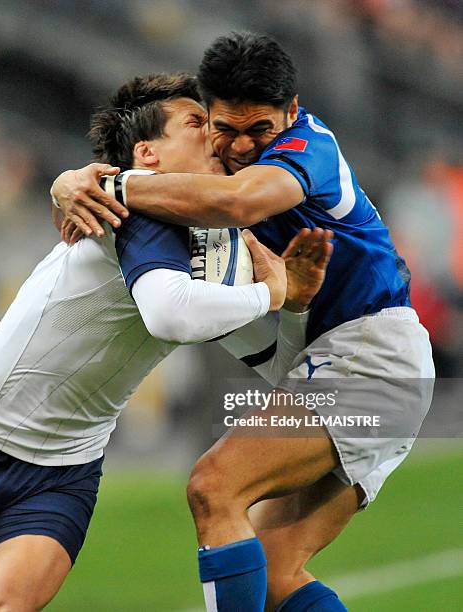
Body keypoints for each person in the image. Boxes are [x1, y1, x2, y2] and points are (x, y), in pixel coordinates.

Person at [0, 72, 331, 612]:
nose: (214, 136)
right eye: (195, 123)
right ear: (146, 154)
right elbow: (169, 314)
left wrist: (293, 304)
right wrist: (271, 295)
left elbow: (272, 358)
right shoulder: (133, 209)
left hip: (60, 471)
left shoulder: (218, 241)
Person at [51, 33, 435, 612]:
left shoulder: (309, 147)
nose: (243, 146)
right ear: (206, 117)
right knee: (276, 574)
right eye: (226, 130)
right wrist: (67, 182)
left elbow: (240, 201)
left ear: (292, 111)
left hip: (371, 355)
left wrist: (115, 183)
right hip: (350, 361)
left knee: (214, 485)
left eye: (261, 130)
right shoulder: (202, 180)